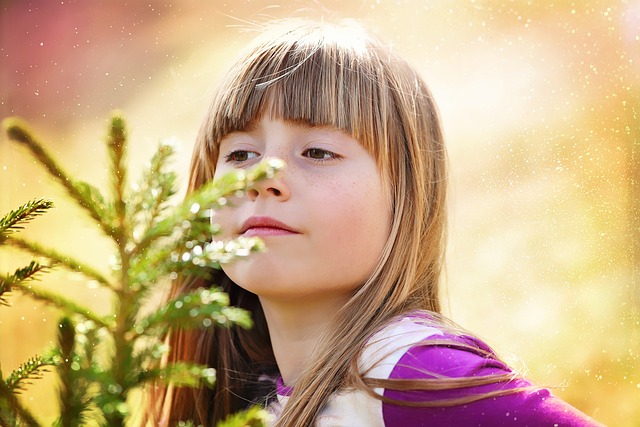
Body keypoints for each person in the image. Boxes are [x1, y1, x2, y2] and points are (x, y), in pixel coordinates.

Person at [156, 19, 603, 426]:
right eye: (240, 154)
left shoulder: (411, 373)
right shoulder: (250, 402)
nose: (261, 178)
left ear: (404, 196)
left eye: (317, 152)